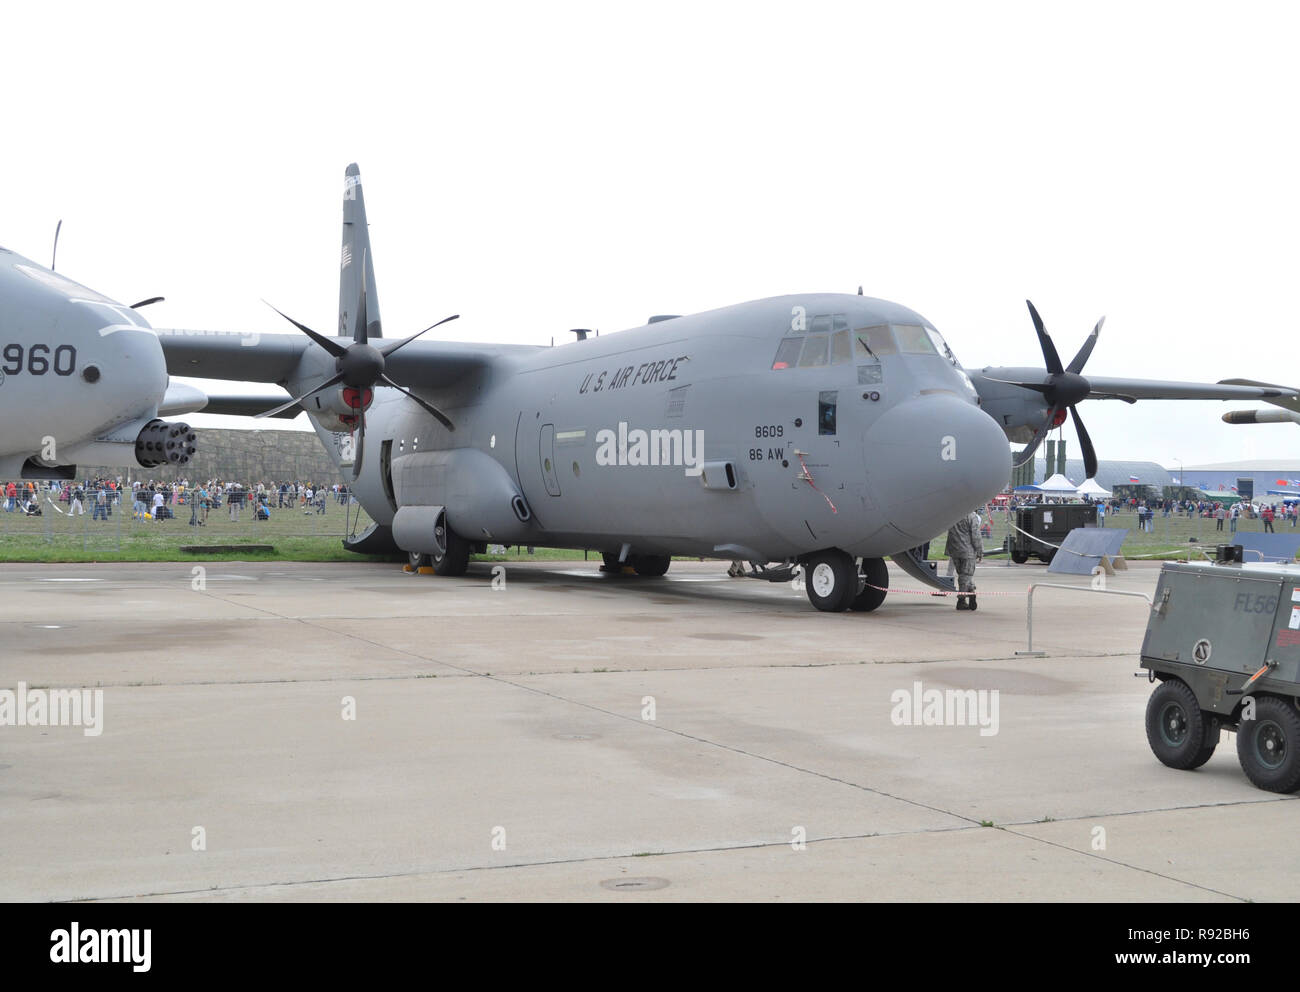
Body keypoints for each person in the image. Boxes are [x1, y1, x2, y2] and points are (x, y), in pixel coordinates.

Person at [945, 509, 984, 611]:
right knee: (965, 575)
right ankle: (961, 600)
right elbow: (976, 535)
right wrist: (979, 550)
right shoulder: (971, 516)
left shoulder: (953, 515)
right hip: (967, 550)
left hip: (954, 549)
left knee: (963, 575)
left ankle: (970, 592)